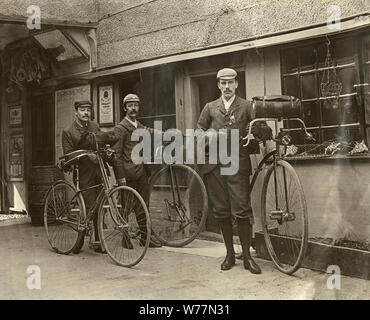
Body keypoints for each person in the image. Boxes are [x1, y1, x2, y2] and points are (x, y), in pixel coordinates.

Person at [196, 68, 272, 274]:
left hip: (237, 165)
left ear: (237, 84)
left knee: (242, 210)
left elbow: (264, 130)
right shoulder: (210, 108)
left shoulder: (247, 106)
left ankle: (247, 256)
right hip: (215, 167)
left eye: (231, 82)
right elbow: (199, 131)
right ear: (218, 85)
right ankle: (230, 254)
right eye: (223, 83)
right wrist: (206, 136)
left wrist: (257, 130)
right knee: (221, 210)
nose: (227, 86)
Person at [112, 93, 162, 248]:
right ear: (125, 108)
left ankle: (145, 238)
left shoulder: (138, 126)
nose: (133, 108)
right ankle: (125, 238)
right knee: (126, 207)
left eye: (136, 105)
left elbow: (150, 131)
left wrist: (164, 133)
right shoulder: (120, 129)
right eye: (130, 105)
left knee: (143, 205)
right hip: (127, 175)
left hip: (141, 172)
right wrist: (120, 177)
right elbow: (116, 156)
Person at [62, 100, 106, 253]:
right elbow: (68, 155)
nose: (86, 112)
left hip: (97, 171)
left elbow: (101, 143)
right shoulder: (68, 131)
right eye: (82, 110)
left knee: (100, 204)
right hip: (82, 173)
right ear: (76, 112)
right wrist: (88, 156)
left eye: (88, 109)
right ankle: (80, 238)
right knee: (88, 206)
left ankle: (99, 241)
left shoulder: (95, 126)